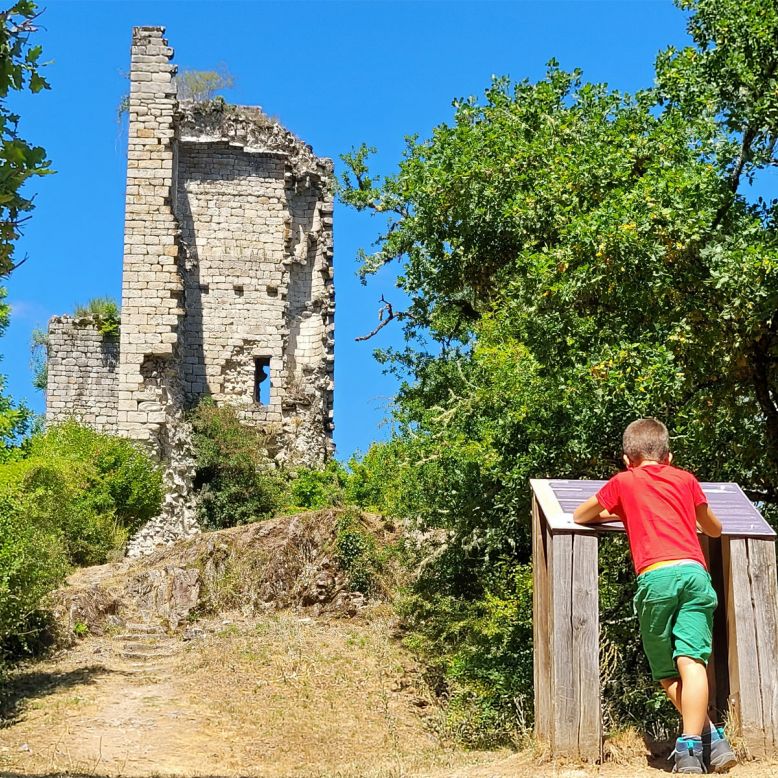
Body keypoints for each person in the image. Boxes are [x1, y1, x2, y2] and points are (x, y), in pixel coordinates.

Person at [573, 418, 737, 774]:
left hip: (657, 578)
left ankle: (690, 749)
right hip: (695, 574)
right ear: (669, 456)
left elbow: (581, 514)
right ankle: (712, 742)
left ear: (626, 458)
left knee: (667, 672)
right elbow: (714, 528)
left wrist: (619, 510)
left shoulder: (624, 482)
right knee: (692, 661)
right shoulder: (685, 480)